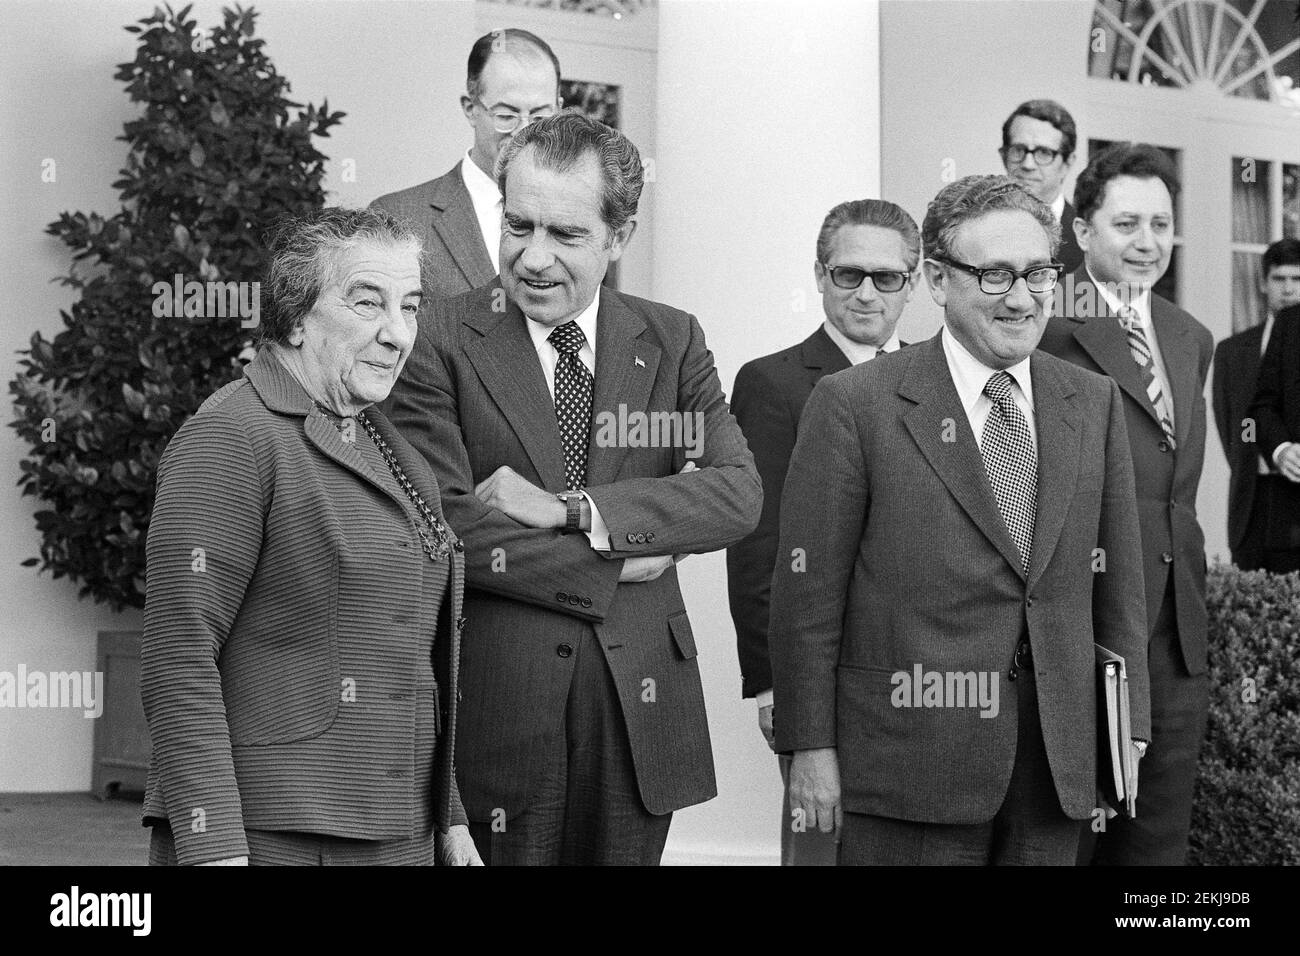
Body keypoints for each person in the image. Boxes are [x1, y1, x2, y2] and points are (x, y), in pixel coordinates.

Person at [384, 111, 762, 865]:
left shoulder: (673, 336)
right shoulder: (438, 337)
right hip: (497, 709)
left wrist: (576, 512)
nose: (533, 258)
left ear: (619, 237)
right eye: (518, 225)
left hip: (640, 714)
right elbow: (451, 524)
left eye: (567, 235)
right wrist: (620, 558)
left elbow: (737, 493)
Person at [769, 175, 1150, 866]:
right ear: (939, 281)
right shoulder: (855, 404)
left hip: (1054, 768)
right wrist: (810, 745)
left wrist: (1131, 726)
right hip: (906, 774)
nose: (1020, 295)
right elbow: (807, 597)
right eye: (995, 274)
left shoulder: (1092, 402)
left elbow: (1119, 586)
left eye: (1037, 272)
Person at [140, 207, 480, 866]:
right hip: (274, 838)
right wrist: (212, 847)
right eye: (367, 304)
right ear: (295, 316)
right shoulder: (232, 436)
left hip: (397, 835)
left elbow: (407, 661)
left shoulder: (391, 446)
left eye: (410, 307)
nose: (397, 334)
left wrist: (450, 814)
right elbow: (180, 656)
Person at [726, 198, 918, 866]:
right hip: (822, 680)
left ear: (914, 284)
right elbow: (760, 545)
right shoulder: (773, 383)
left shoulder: (945, 378)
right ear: (819, 275)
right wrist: (774, 686)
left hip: (929, 679)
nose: (867, 292)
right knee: (821, 852)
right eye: (848, 274)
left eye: (887, 277)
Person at [1039, 143, 1214, 865]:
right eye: (1127, 224)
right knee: (1066, 841)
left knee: (1155, 849)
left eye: (1161, 225)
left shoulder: (1187, 335)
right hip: (1081, 630)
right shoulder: (1041, 328)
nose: (1148, 243)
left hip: (1175, 638)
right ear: (1083, 233)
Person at [371, 28, 561, 299]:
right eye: (506, 115)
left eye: (540, 118)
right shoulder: (397, 217)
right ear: (470, 109)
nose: (524, 132)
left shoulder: (579, 217)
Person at [1219, 239, 1300, 571]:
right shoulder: (1231, 352)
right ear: (1264, 284)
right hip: (1250, 501)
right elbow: (1231, 428)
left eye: (1297, 280)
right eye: (1280, 279)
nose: (1289, 289)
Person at [999, 99, 1083, 273]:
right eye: (1018, 150)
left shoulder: (1091, 244)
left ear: (1068, 163)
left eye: (1044, 153)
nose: (1028, 164)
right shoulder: (980, 231)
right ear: (1003, 156)